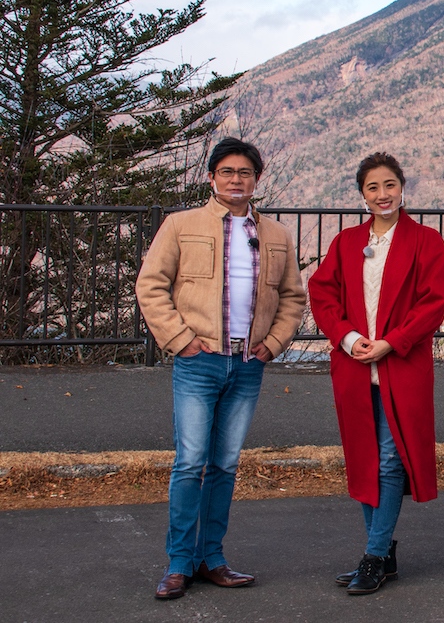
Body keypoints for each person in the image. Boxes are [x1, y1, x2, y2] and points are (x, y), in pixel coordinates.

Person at [136, 137, 306, 600]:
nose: (236, 180)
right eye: (227, 172)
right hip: (199, 361)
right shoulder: (180, 225)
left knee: (225, 465)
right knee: (191, 462)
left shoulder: (274, 234)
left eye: (245, 173)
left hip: (247, 365)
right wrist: (180, 341)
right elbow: (151, 286)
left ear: (256, 181)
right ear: (211, 178)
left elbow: (292, 297)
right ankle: (178, 563)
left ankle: (212, 558)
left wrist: (272, 345)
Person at [308, 152, 444, 595]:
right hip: (353, 365)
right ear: (362, 194)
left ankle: (372, 556)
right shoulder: (346, 243)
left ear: (402, 188)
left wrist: (391, 342)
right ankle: (383, 553)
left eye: (389, 185)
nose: (382, 194)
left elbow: (433, 304)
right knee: (366, 460)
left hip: (400, 363)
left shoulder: (427, 241)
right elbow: (322, 293)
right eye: (373, 187)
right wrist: (349, 339)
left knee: (390, 460)